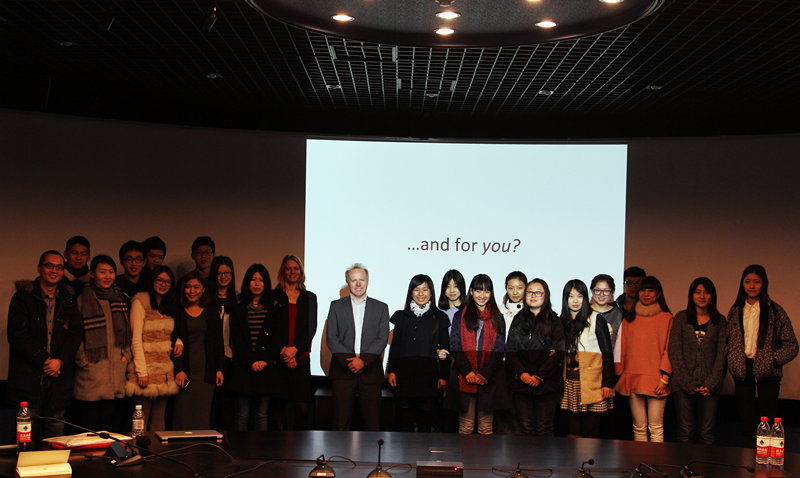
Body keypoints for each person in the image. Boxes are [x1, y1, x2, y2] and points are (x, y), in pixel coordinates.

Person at [6, 251, 83, 438]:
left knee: (56, 432)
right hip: (28, 376)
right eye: (50, 266)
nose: (54, 270)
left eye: (59, 267)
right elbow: (17, 336)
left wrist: (59, 361)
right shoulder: (23, 298)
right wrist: (47, 361)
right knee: (25, 433)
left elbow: (75, 335)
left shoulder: (68, 299)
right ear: (39, 268)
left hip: (58, 378)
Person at [727, 265, 798, 447]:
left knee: (768, 423)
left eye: (756, 282)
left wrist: (771, 360)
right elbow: (727, 342)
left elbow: (792, 345)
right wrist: (731, 357)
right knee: (746, 425)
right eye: (748, 282)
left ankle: (766, 459)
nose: (752, 286)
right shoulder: (736, 311)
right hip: (742, 371)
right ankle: (746, 461)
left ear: (764, 283)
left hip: (768, 373)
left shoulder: (775, 311)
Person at [326, 263, 390, 431]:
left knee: (372, 423)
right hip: (343, 372)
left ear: (367, 281)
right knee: (340, 422)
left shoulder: (381, 307)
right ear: (348, 283)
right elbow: (331, 337)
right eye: (354, 280)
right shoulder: (336, 306)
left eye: (362, 280)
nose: (358, 284)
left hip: (370, 372)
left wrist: (363, 361)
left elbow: (382, 338)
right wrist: (351, 361)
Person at [74, 255, 132, 432]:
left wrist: (125, 356)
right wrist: (84, 361)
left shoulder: (120, 299)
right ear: (92, 274)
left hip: (116, 373)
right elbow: (74, 336)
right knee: (89, 428)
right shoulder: (82, 300)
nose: (107, 276)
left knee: (111, 428)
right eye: (102, 272)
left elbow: (128, 332)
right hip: (92, 373)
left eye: (111, 272)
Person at [445, 274, 509, 435]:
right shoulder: (460, 316)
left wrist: (485, 374)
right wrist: (467, 371)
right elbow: (455, 346)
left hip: (489, 378)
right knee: (466, 426)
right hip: (464, 376)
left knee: (485, 427)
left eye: (486, 291)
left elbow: (499, 349)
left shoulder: (497, 317)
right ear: (471, 291)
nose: (482, 295)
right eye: (478, 290)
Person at [387, 274, 451, 433]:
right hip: (404, 376)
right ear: (411, 292)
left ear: (431, 293)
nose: (421, 293)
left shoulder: (440, 318)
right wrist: (392, 371)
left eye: (425, 289)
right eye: (416, 289)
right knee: (405, 421)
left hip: (429, 377)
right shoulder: (401, 316)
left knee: (425, 421)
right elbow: (395, 346)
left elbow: (445, 349)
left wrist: (444, 376)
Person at [668, 277, 727, 445]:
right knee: (685, 432)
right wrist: (687, 382)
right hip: (683, 384)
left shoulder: (719, 321)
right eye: (698, 292)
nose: (702, 296)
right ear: (691, 295)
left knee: (707, 434)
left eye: (706, 293)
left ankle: (705, 463)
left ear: (712, 296)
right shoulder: (681, 318)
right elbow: (675, 351)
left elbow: (722, 354)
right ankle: (684, 462)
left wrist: (711, 383)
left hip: (710, 385)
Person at [614, 275, 672, 442]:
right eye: (643, 290)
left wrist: (665, 377)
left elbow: (670, 349)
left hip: (657, 380)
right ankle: (641, 459)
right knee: (638, 426)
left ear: (658, 294)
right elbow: (621, 348)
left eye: (651, 290)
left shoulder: (667, 318)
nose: (646, 294)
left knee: (656, 427)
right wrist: (620, 374)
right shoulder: (629, 318)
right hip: (632, 377)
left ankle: (655, 460)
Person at [125, 266, 181, 431]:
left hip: (164, 370)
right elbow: (135, 339)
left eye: (167, 282)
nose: (163, 284)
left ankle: (157, 448)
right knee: (141, 419)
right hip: (144, 368)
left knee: (159, 417)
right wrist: (141, 372)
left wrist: (179, 341)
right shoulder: (140, 302)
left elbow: (174, 332)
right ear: (152, 281)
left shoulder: (170, 304)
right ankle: (139, 447)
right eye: (160, 280)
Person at [506, 279, 565, 436]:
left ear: (546, 296)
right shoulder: (518, 320)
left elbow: (558, 352)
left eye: (538, 292)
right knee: (526, 428)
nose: (533, 295)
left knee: (544, 428)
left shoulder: (555, 321)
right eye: (530, 292)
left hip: (547, 385)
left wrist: (539, 376)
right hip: (522, 385)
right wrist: (522, 374)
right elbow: (510, 350)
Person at [229, 264, 284, 430]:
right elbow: (236, 338)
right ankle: (238, 447)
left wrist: (263, 360)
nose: (257, 283)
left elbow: (277, 339)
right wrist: (251, 361)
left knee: (261, 416)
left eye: (261, 280)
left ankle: (261, 448)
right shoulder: (238, 307)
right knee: (242, 415)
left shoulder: (274, 308)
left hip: (265, 369)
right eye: (253, 280)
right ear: (248, 282)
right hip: (243, 368)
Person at [559, 279, 614, 438]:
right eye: (571, 296)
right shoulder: (561, 322)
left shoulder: (596, 319)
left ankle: (591, 456)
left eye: (579, 296)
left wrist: (608, 383)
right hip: (570, 384)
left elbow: (607, 353)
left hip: (593, 384)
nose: (575, 301)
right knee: (573, 432)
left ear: (585, 297)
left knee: (591, 432)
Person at [172, 271, 225, 430]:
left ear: (203, 289)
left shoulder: (211, 312)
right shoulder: (177, 312)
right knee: (182, 415)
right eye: (188, 287)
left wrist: (220, 369)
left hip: (206, 372)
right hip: (185, 372)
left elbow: (218, 342)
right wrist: (179, 369)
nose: (192, 291)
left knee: (202, 415)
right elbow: (171, 342)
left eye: (196, 287)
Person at [273, 255, 318, 430]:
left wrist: (295, 350)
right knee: (279, 409)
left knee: (302, 408)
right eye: (288, 268)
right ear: (283, 271)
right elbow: (271, 328)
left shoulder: (310, 297)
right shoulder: (273, 296)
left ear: (301, 272)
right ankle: (278, 445)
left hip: (301, 359)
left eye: (296, 268)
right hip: (279, 359)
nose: (292, 271)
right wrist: (285, 353)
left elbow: (311, 328)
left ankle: (299, 445)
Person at [207, 256, 237, 429]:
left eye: (227, 273)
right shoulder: (206, 299)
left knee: (228, 404)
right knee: (212, 402)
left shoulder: (237, 299)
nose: (223, 276)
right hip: (211, 358)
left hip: (231, 357)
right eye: (219, 273)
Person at [590, 274, 623, 345]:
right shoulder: (584, 312)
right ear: (592, 291)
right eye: (598, 290)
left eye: (606, 291)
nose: (602, 294)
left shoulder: (620, 315)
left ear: (612, 292)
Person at [497, 271, 527, 338]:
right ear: (506, 288)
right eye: (511, 288)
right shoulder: (499, 311)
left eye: (519, 288)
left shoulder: (531, 311)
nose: (515, 292)